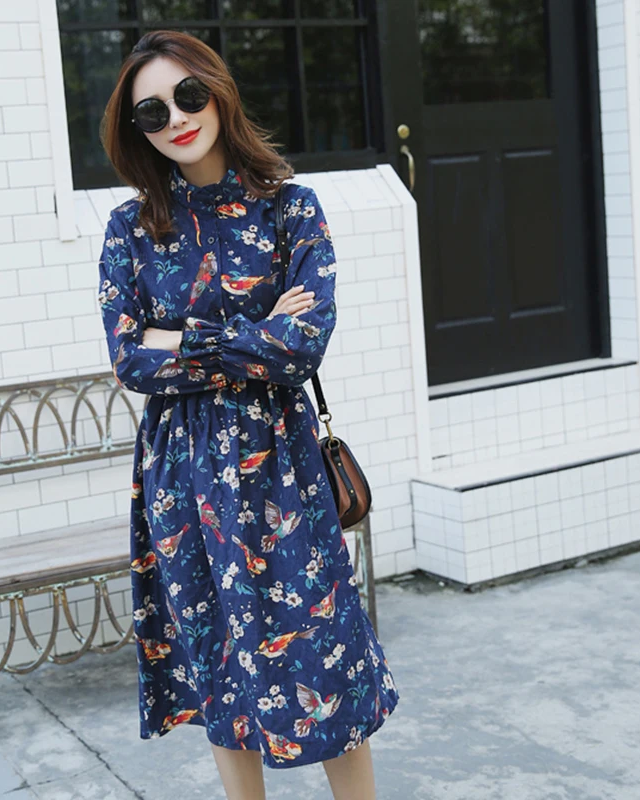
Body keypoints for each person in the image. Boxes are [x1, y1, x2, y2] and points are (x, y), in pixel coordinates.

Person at [97, 29, 399, 800]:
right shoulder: (130, 229)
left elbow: (300, 347)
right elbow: (130, 361)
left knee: (326, 658)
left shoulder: (291, 208)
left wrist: (183, 339)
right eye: (152, 112)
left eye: (187, 95)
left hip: (282, 470)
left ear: (217, 91)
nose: (175, 118)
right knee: (219, 660)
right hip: (183, 477)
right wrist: (252, 332)